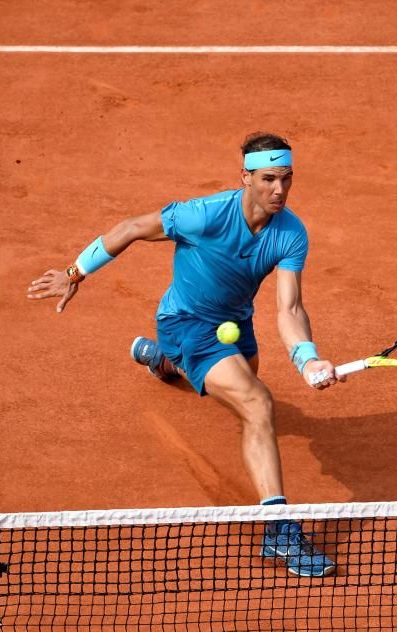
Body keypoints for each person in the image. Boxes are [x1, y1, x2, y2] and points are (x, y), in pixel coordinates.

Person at [27, 132, 341, 577]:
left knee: (241, 384)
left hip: (235, 324)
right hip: (186, 322)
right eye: (268, 179)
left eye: (286, 180)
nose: (279, 190)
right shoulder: (205, 215)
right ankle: (278, 531)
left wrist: (307, 358)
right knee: (256, 402)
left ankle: (163, 361)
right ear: (245, 177)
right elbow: (132, 228)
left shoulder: (291, 233)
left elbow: (289, 307)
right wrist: (74, 272)